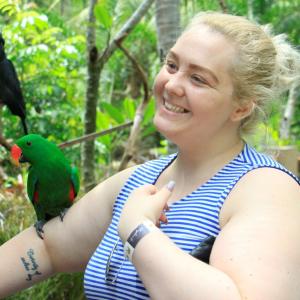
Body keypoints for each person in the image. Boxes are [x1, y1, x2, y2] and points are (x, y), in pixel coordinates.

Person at [1, 11, 300, 299]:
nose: (171, 84)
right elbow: (47, 248)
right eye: (171, 65)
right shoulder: (139, 178)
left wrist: (137, 231)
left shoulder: (268, 189)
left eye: (198, 79)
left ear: (241, 107)